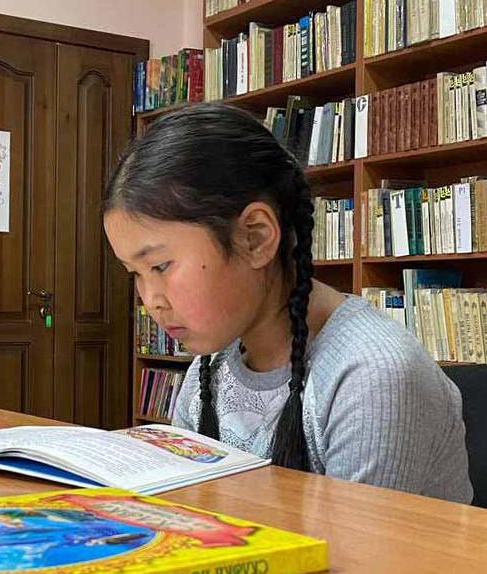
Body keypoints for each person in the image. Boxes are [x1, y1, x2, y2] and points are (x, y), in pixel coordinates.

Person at [103, 102, 473, 504]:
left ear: (256, 238)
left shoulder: (370, 378)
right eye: (134, 274)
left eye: (159, 265)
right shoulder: (207, 373)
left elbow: (357, 562)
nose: (150, 300)